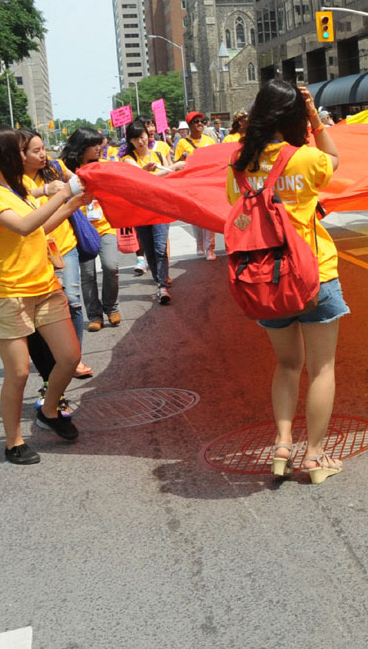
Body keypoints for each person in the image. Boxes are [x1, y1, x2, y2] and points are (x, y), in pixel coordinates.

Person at [226, 78, 346, 484]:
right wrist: (314, 117)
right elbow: (334, 158)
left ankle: (281, 444)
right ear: (294, 117)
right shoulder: (305, 158)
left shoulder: (239, 166)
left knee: (287, 366)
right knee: (322, 367)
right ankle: (313, 457)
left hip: (265, 279)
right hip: (314, 275)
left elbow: (236, 210)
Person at [0, 124, 86, 464]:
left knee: (69, 357)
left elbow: (37, 231)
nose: (28, 155)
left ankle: (49, 410)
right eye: (20, 150)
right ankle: (13, 442)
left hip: (44, 284)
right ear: (1, 154)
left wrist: (74, 203)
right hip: (8, 291)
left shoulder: (17, 187)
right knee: (18, 372)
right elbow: (23, 226)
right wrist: (61, 194)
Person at [19, 129, 92, 377]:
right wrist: (46, 191)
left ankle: (74, 358)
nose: (43, 155)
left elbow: (83, 180)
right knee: (45, 310)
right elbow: (28, 220)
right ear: (20, 155)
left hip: (64, 245)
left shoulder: (56, 167)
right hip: (34, 252)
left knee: (72, 300)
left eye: (43, 149)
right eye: (36, 151)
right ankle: (53, 361)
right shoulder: (16, 182)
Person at [61, 128, 121, 332]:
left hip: (105, 226)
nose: (99, 147)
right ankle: (95, 315)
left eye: (99, 143)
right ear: (81, 147)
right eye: (93, 144)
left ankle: (111, 307)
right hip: (81, 229)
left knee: (111, 266)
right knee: (87, 275)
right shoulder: (63, 168)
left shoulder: (104, 166)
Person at [122, 118, 184, 304]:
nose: (140, 141)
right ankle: (159, 278)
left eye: (141, 136)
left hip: (159, 207)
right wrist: (172, 167)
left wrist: (175, 168)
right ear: (130, 141)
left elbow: (169, 178)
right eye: (135, 139)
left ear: (147, 135)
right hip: (139, 210)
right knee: (148, 248)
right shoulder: (128, 159)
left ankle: (162, 285)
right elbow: (140, 180)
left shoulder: (158, 154)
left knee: (159, 247)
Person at [175, 111, 219, 260]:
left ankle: (210, 248)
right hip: (191, 183)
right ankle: (199, 243)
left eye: (201, 121)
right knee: (195, 216)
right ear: (189, 125)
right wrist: (184, 157)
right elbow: (177, 163)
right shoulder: (182, 143)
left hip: (208, 182)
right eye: (196, 122)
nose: (200, 124)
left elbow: (217, 159)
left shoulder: (209, 140)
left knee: (209, 216)